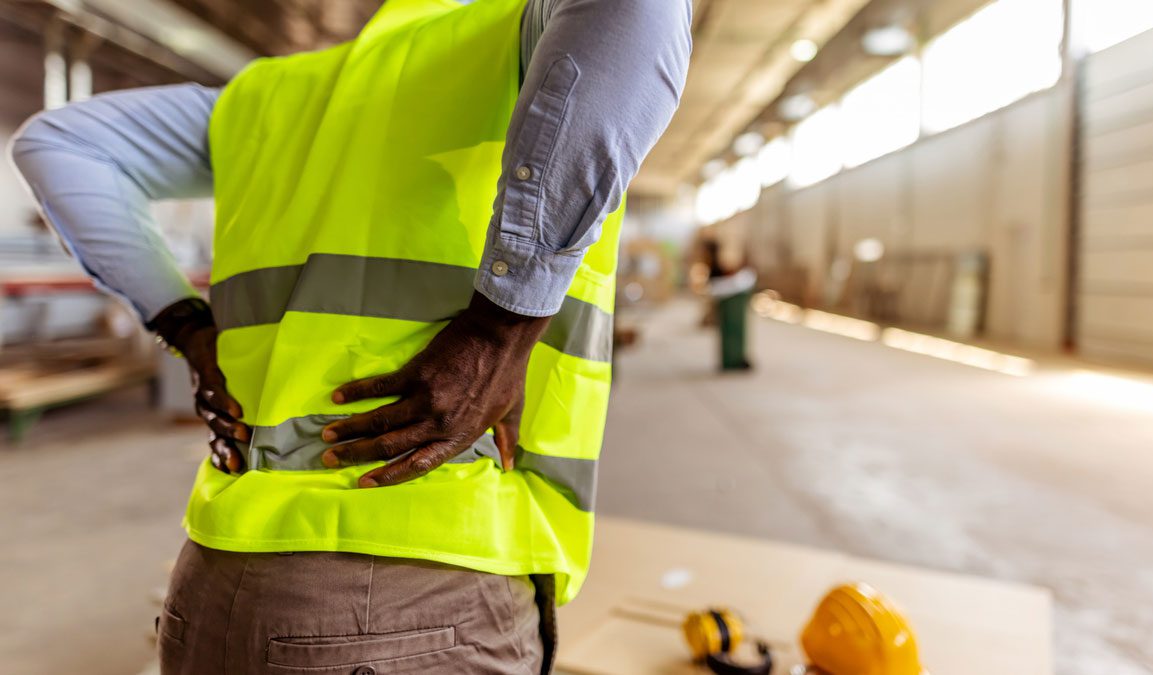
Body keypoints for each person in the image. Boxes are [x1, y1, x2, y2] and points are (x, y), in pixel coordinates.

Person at [9, 0, 691, 672]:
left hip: (214, 582)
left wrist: (185, 326)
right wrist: (498, 327)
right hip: (422, 582)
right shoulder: (509, 36)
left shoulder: (266, 97)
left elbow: (57, 143)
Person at [700, 239, 756, 371]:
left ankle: (734, 359)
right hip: (728, 295)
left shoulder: (713, 262)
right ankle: (733, 359)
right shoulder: (713, 263)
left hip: (727, 294)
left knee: (732, 329)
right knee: (732, 328)